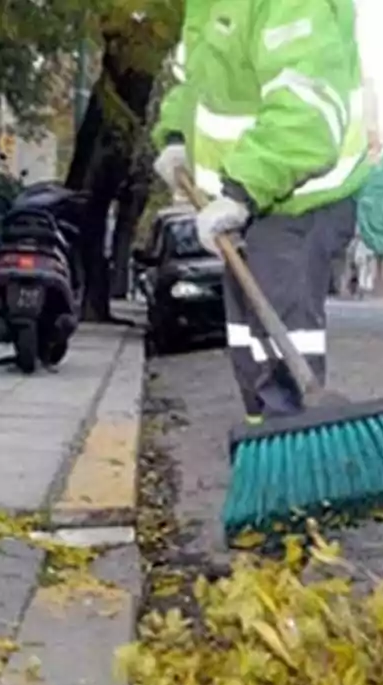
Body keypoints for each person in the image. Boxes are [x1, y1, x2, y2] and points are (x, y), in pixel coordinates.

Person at [150, 0, 370, 423]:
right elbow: (195, 82)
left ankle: (297, 464)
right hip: (246, 202)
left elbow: (304, 113)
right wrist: (177, 134)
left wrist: (241, 190)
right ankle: (267, 459)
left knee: (284, 351)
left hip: (298, 200)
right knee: (251, 349)